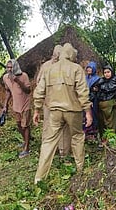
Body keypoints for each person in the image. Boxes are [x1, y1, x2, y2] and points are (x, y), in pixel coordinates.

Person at [33, 43, 92, 184]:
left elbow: (39, 91)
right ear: (72, 55)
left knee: (48, 142)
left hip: (54, 112)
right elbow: (83, 92)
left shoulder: (49, 69)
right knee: (77, 137)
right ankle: (80, 170)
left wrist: (36, 110)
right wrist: (88, 112)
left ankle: (39, 178)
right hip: (73, 111)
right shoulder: (76, 68)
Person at [36, 45, 72, 157]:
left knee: (52, 126)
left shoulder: (46, 66)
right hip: (57, 103)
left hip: (52, 103)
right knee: (59, 127)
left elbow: (38, 83)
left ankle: (55, 152)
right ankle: (62, 153)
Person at [2, 59, 32, 158]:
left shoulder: (23, 76)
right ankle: (26, 141)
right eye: (8, 67)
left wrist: (17, 80)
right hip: (16, 105)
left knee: (25, 126)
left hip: (25, 104)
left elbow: (28, 90)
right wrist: (5, 105)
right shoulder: (5, 78)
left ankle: (27, 149)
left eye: (11, 67)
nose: (9, 69)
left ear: (15, 67)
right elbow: (8, 92)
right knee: (19, 125)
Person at [93, 65, 116, 145]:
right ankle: (104, 139)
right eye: (105, 72)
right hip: (101, 105)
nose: (107, 74)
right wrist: (95, 90)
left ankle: (112, 139)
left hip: (111, 104)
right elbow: (94, 89)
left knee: (112, 123)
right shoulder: (100, 81)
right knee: (102, 123)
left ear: (111, 72)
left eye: (108, 72)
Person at [84, 61, 100, 141]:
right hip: (85, 100)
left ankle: (93, 134)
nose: (89, 70)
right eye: (88, 68)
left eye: (90, 68)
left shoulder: (97, 79)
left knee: (93, 115)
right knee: (85, 116)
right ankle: (86, 133)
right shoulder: (85, 78)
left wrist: (91, 99)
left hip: (94, 100)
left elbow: (96, 91)